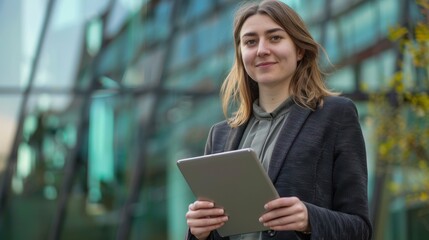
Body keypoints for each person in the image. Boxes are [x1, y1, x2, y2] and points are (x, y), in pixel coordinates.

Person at [185, 0, 372, 239]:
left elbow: (360, 229)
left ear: (299, 49)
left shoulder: (336, 115)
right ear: (241, 54)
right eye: (250, 42)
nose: (261, 49)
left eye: (275, 38)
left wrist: (308, 219)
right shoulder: (219, 135)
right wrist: (199, 231)